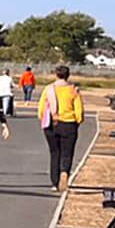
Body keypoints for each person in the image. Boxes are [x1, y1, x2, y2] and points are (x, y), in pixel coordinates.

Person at [39, 63, 85, 191]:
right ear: (67, 76)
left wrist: (43, 118)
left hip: (51, 124)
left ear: (56, 75)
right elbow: (79, 110)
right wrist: (78, 121)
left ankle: (55, 181)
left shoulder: (48, 89)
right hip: (69, 124)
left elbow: (42, 108)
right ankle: (64, 171)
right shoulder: (73, 90)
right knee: (67, 152)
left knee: (54, 152)